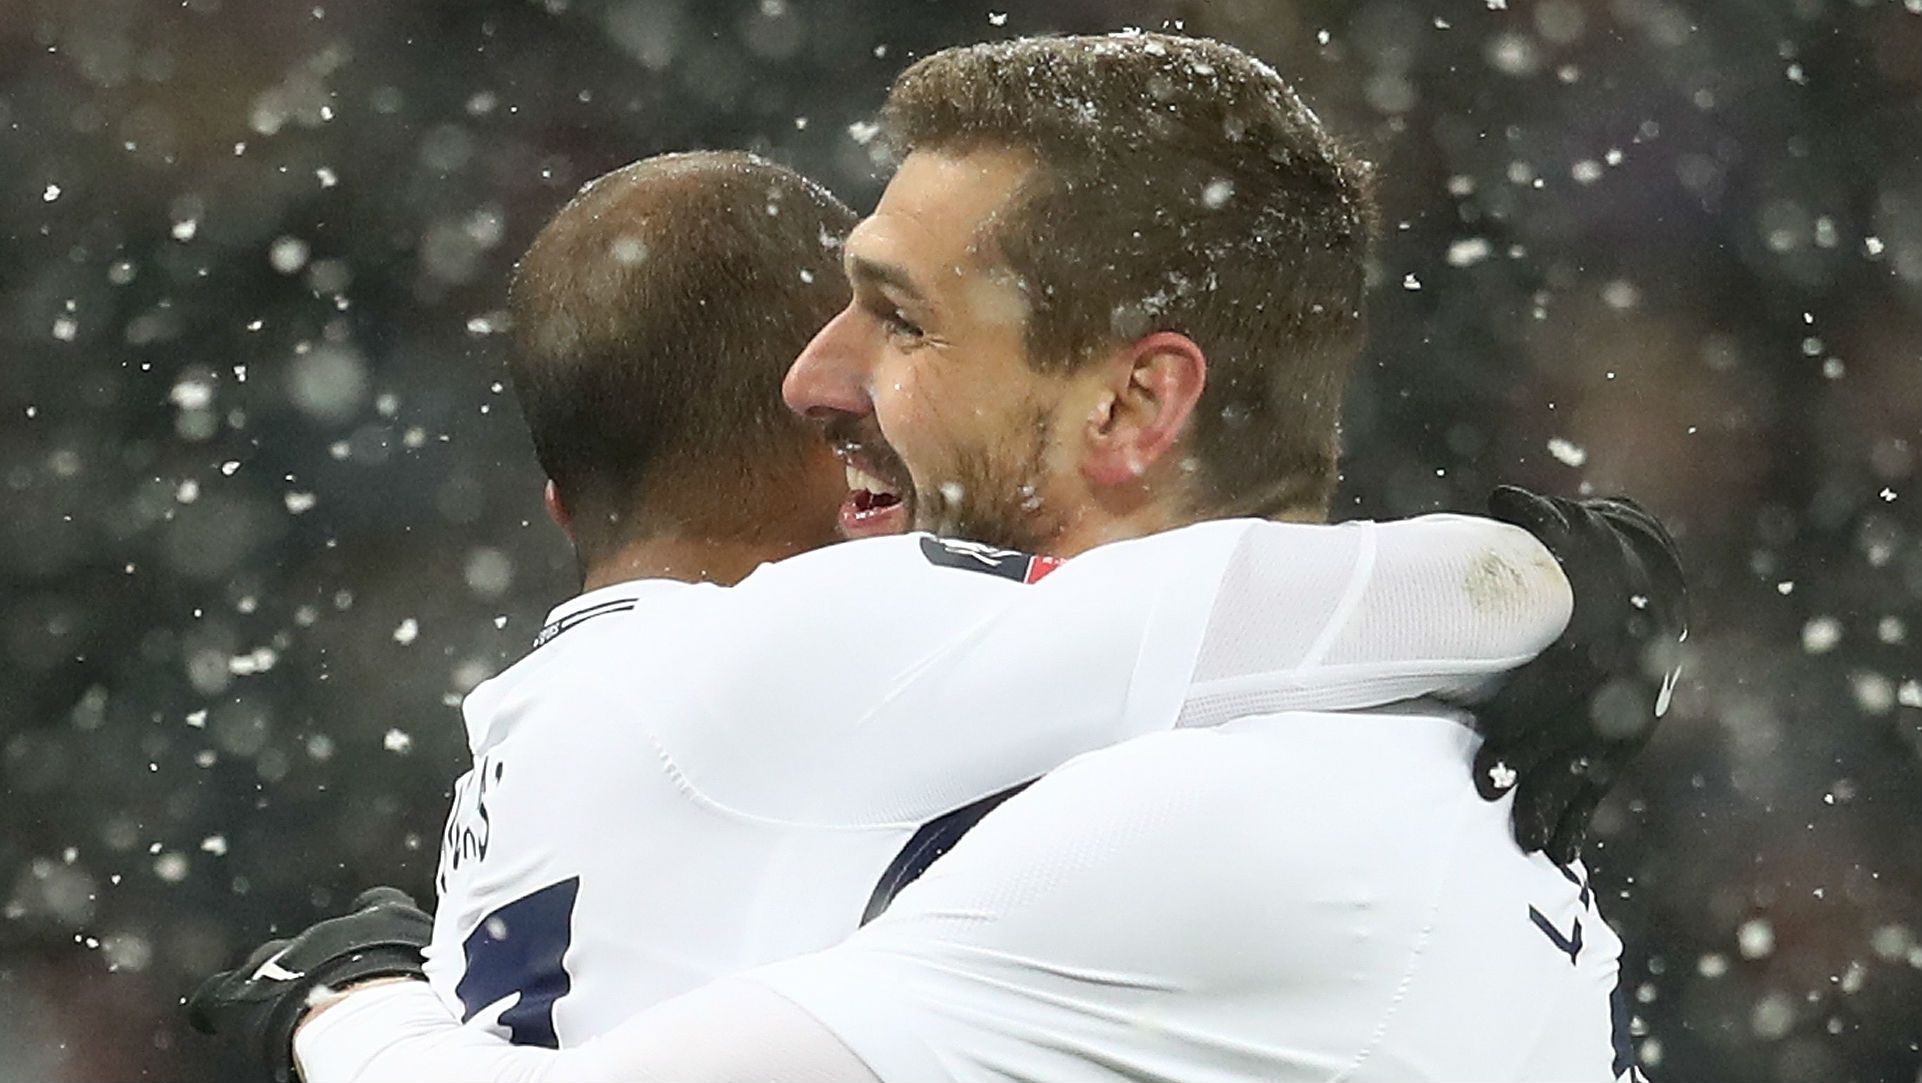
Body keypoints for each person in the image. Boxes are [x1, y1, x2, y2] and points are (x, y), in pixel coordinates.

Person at [192, 33, 1681, 1083]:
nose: (815, 377)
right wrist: (1555, 591)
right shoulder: (1447, 806)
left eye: (897, 318)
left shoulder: (1216, 821)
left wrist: (344, 1002)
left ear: (1127, 402)